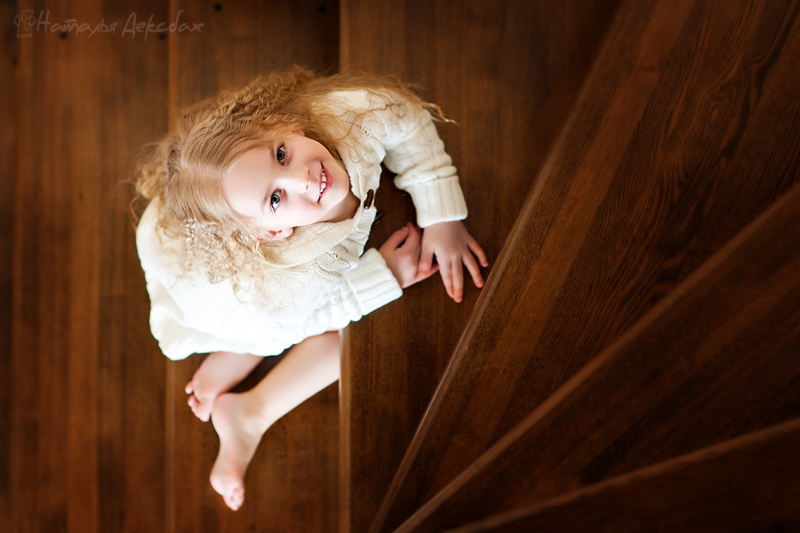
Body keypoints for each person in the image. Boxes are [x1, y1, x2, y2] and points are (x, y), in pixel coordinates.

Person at [134, 66, 488, 510]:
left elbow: (405, 117)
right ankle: (250, 407)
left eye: (281, 154)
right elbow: (309, 318)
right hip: (237, 297)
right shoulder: (297, 276)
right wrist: (384, 276)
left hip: (267, 301)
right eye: (275, 199)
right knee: (328, 344)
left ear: (285, 126)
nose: (302, 178)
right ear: (273, 233)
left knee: (285, 329)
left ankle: (240, 366)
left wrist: (441, 214)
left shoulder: (346, 118)